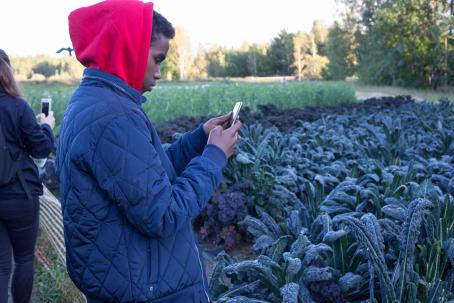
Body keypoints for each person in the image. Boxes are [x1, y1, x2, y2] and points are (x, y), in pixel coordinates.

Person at [56, 1, 241, 302]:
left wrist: (199, 140)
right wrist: (214, 158)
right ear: (128, 48)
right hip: (148, 290)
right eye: (157, 59)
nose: (158, 72)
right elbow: (163, 214)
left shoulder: (99, 103)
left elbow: (141, 176)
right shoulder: (113, 116)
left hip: (132, 280)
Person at [0, 49, 55, 303]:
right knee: (23, 259)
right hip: (20, 194)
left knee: (1, 266)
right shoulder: (18, 107)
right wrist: (45, 126)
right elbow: (41, 148)